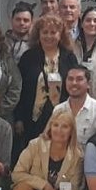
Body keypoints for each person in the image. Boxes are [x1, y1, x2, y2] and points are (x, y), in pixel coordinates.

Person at [15, 14, 78, 143]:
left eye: (53, 32)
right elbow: (19, 88)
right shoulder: (28, 57)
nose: (49, 36)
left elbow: (74, 87)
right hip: (31, 120)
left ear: (60, 35)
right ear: (38, 34)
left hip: (62, 119)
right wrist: (18, 118)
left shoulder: (69, 57)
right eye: (45, 32)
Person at [52, 65, 96, 147]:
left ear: (89, 84)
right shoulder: (58, 109)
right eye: (70, 79)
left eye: (79, 79)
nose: (74, 83)